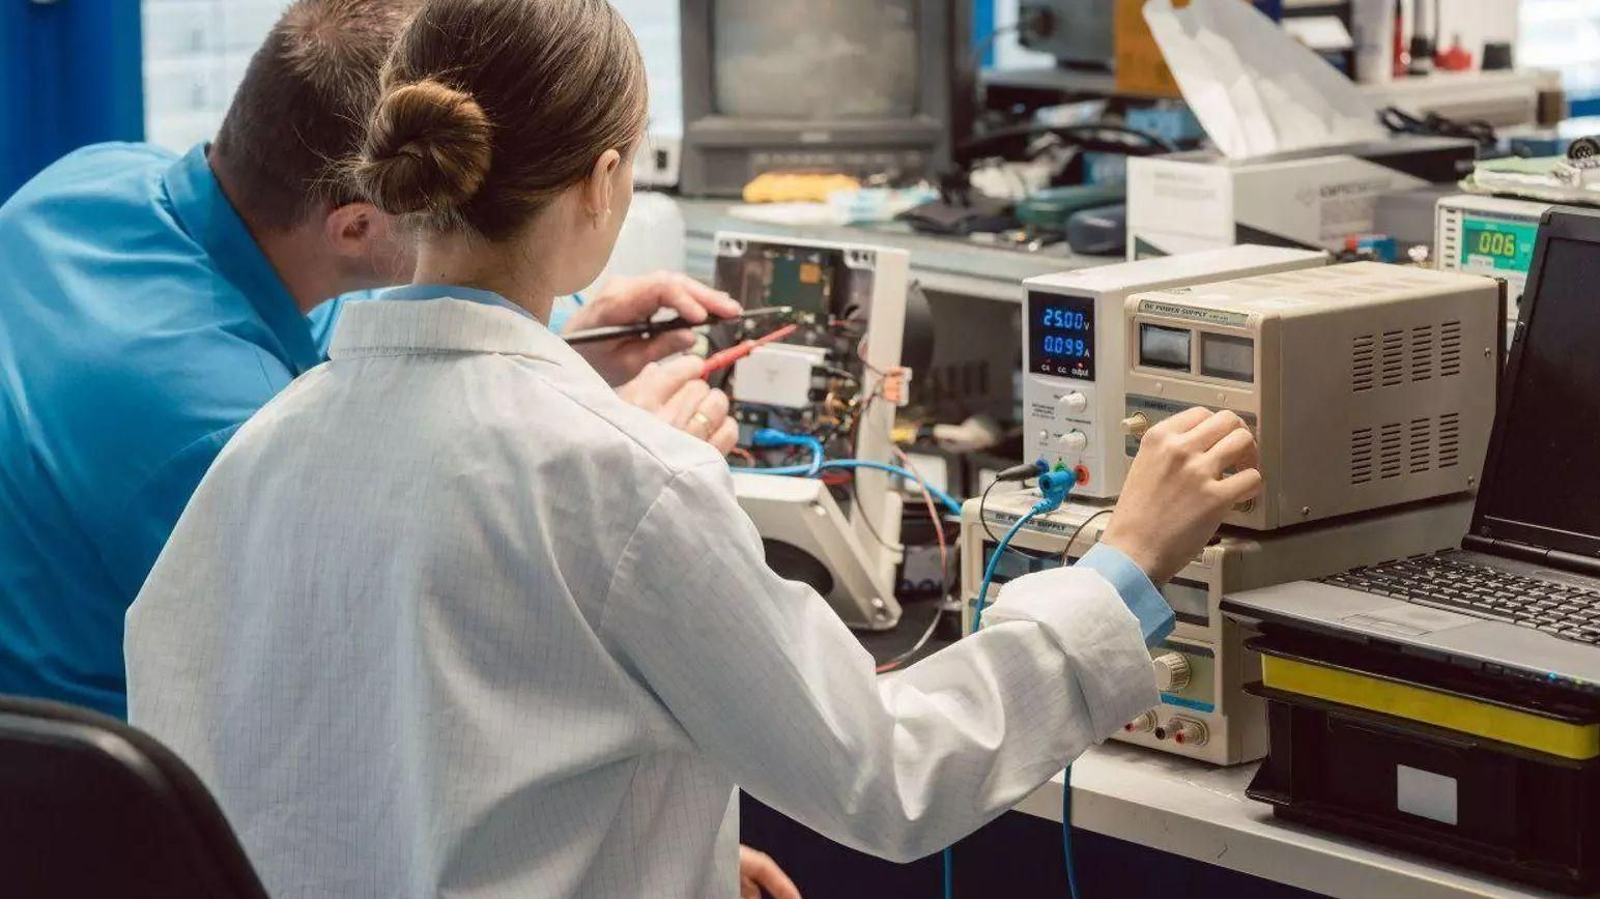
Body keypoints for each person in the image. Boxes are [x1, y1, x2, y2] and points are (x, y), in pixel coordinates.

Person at [125, 0, 1263, 896]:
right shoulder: (620, 477)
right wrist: (1122, 566)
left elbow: (313, 773)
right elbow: (890, 770)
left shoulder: (265, 446)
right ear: (606, 181)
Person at [0, 0, 736, 721]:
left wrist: (561, 339)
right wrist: (606, 451)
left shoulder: (97, 174)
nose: (470, 209)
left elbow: (341, 317)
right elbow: (408, 683)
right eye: (439, 186)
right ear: (354, 225)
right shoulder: (243, 442)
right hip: (115, 796)